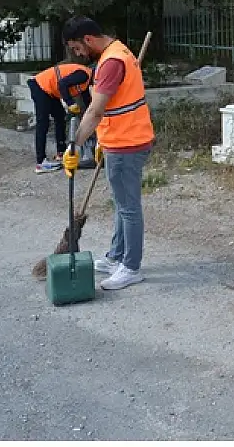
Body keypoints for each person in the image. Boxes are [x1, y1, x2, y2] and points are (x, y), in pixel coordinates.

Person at [60, 17, 154, 291]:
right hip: (120, 140)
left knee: (128, 207)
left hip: (128, 143)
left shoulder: (112, 62)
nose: (78, 54)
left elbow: (96, 110)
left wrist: (75, 145)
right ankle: (116, 257)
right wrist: (102, 140)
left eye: (77, 48)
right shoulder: (117, 51)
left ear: (88, 39)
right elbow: (114, 106)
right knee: (121, 204)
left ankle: (131, 267)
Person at [29, 61, 93, 173]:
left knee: (60, 117)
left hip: (49, 90)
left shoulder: (86, 82)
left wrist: (92, 116)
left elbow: (88, 102)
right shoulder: (84, 75)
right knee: (43, 123)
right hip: (40, 86)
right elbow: (62, 84)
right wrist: (70, 103)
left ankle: (61, 153)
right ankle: (40, 163)